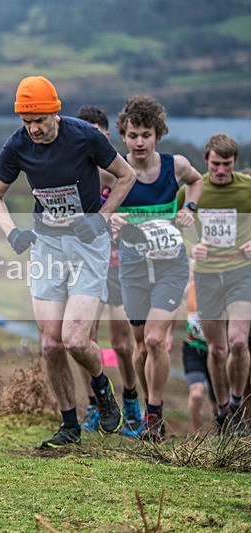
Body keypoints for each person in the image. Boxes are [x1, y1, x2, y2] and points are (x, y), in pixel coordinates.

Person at [0, 76, 137, 449]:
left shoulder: (84, 136)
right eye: (26, 122)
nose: (33, 129)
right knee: (51, 344)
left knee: (74, 339)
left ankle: (101, 384)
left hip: (88, 245)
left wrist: (100, 217)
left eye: (39, 120)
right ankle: (69, 424)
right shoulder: (17, 146)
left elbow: (126, 176)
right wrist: (12, 233)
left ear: (56, 111)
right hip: (47, 245)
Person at [111, 94, 203, 442]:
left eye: (146, 134)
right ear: (123, 135)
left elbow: (197, 180)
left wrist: (189, 209)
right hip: (133, 269)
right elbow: (94, 204)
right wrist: (111, 219)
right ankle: (145, 405)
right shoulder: (115, 172)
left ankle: (154, 416)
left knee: (156, 340)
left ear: (157, 135)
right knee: (139, 348)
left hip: (170, 267)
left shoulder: (174, 166)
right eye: (133, 134)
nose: (139, 142)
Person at [73, 105, 142, 437]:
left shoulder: (120, 173)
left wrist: (118, 223)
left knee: (122, 343)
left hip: (119, 266)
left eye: (95, 134)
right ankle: (94, 405)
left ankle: (130, 399)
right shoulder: (80, 176)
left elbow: (141, 220)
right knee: (84, 340)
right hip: (87, 266)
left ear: (105, 136)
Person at [183, 133, 251, 436]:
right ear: (206, 161)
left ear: (234, 162)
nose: (221, 170)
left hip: (241, 273)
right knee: (218, 349)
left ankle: (237, 402)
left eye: (226, 164)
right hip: (208, 276)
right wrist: (192, 246)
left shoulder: (247, 188)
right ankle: (223, 408)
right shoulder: (196, 189)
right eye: (215, 164)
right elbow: (177, 224)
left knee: (238, 341)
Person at [181, 278, 217, 433]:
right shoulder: (191, 287)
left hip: (217, 353)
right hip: (193, 349)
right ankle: (198, 438)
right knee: (196, 395)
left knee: (218, 403)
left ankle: (221, 435)